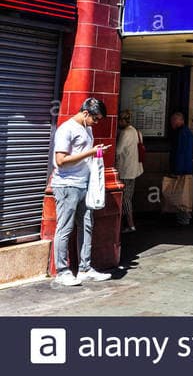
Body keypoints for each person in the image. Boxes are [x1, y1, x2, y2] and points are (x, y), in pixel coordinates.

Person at [51, 97, 112, 286]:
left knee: (86, 225)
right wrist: (91, 152)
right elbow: (61, 160)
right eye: (96, 118)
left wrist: (97, 152)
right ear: (86, 113)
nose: (97, 122)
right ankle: (62, 271)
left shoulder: (87, 128)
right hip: (67, 185)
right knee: (65, 228)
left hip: (84, 184)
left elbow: (85, 152)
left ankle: (85, 268)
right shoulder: (66, 129)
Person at [115, 110, 143, 234]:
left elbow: (118, 151)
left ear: (122, 120)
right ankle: (128, 223)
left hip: (126, 170)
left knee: (126, 199)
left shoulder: (125, 133)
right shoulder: (135, 131)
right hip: (135, 170)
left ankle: (130, 224)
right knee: (128, 197)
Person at [169, 112, 193, 225]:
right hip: (187, 167)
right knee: (184, 192)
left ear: (180, 120)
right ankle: (184, 216)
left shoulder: (181, 133)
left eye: (174, 120)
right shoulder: (187, 132)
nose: (172, 123)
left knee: (181, 193)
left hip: (182, 168)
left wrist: (177, 170)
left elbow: (180, 152)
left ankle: (184, 217)